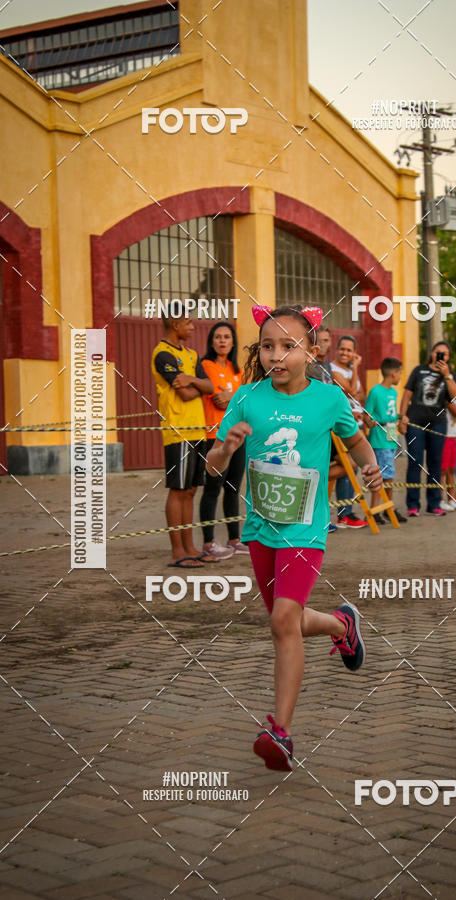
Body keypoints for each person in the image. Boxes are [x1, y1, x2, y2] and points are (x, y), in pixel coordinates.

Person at [206, 304, 382, 772]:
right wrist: (227, 446)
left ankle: (280, 732)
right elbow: (213, 465)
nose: (276, 356)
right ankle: (343, 625)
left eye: (288, 346)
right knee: (290, 622)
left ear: (312, 350)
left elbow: (355, 439)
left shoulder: (328, 399)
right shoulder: (246, 398)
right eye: (268, 346)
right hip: (261, 529)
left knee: (283, 620)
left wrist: (370, 466)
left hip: (306, 529)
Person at [151, 308, 214, 568]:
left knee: (190, 490)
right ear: (175, 323)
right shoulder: (162, 354)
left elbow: (210, 387)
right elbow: (187, 394)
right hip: (178, 432)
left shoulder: (191, 355)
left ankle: (190, 547)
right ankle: (177, 552)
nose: (192, 326)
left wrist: (192, 380)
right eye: (188, 322)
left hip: (198, 430)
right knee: (177, 490)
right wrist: (196, 383)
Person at [198, 322, 246, 560]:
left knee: (233, 487)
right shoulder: (205, 365)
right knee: (213, 488)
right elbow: (218, 399)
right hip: (214, 436)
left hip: (238, 436)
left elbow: (242, 401)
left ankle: (234, 540)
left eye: (227, 337)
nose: (222, 341)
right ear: (211, 341)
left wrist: (233, 397)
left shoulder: (237, 370)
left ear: (233, 341)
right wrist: (231, 398)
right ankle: (208, 543)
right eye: (218, 337)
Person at [398, 341, 456, 517]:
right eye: (438, 352)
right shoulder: (419, 371)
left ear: (448, 357)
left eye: (445, 354)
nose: (441, 356)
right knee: (415, 462)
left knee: (435, 464)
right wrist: (402, 417)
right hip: (415, 422)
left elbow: (454, 396)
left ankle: (434, 504)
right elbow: (407, 395)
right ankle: (413, 505)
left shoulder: (449, 374)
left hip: (438, 424)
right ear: (431, 353)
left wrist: (447, 375)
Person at [330, 335, 368, 528]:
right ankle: (344, 513)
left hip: (357, 422)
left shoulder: (350, 370)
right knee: (349, 466)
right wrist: (356, 368)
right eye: (342, 349)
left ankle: (346, 513)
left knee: (352, 470)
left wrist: (353, 371)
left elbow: (360, 394)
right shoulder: (332, 369)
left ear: (354, 353)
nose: (345, 353)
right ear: (336, 350)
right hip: (342, 425)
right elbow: (352, 391)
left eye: (349, 350)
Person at [363, 357, 407, 524]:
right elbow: (366, 415)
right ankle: (380, 510)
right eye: (400, 373)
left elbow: (392, 414)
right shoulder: (376, 392)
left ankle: (388, 509)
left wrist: (402, 417)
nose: (400, 377)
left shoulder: (393, 393)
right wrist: (370, 422)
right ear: (393, 373)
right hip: (379, 441)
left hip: (390, 438)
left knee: (389, 476)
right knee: (383, 476)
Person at [440, 381, 456, 512]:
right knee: (442, 470)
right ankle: (440, 499)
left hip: (453, 437)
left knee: (451, 470)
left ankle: (451, 499)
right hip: (445, 437)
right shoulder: (448, 401)